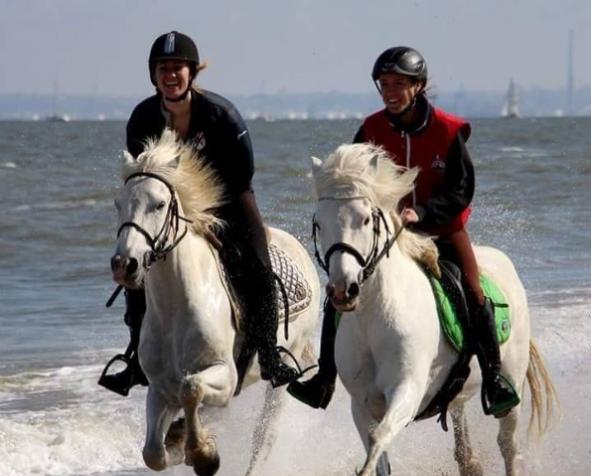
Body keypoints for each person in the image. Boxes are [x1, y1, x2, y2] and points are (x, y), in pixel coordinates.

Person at [288, 46, 520, 418]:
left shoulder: (448, 129)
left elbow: (462, 191)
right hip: (387, 235)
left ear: (419, 86)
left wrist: (423, 212)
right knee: (339, 293)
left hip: (443, 231)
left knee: (474, 292)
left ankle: (493, 376)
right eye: (384, 84)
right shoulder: (370, 129)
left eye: (399, 84)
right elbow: (354, 182)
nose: (390, 92)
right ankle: (325, 378)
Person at [99, 31, 300, 396]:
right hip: (169, 215)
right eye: (163, 68)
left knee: (258, 267)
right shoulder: (143, 117)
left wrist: (206, 219)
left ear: (191, 72)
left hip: (230, 203)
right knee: (137, 271)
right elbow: (142, 180)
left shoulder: (221, 114)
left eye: (177, 67)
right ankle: (136, 359)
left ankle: (269, 354)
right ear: (153, 74)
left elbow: (242, 175)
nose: (170, 75)